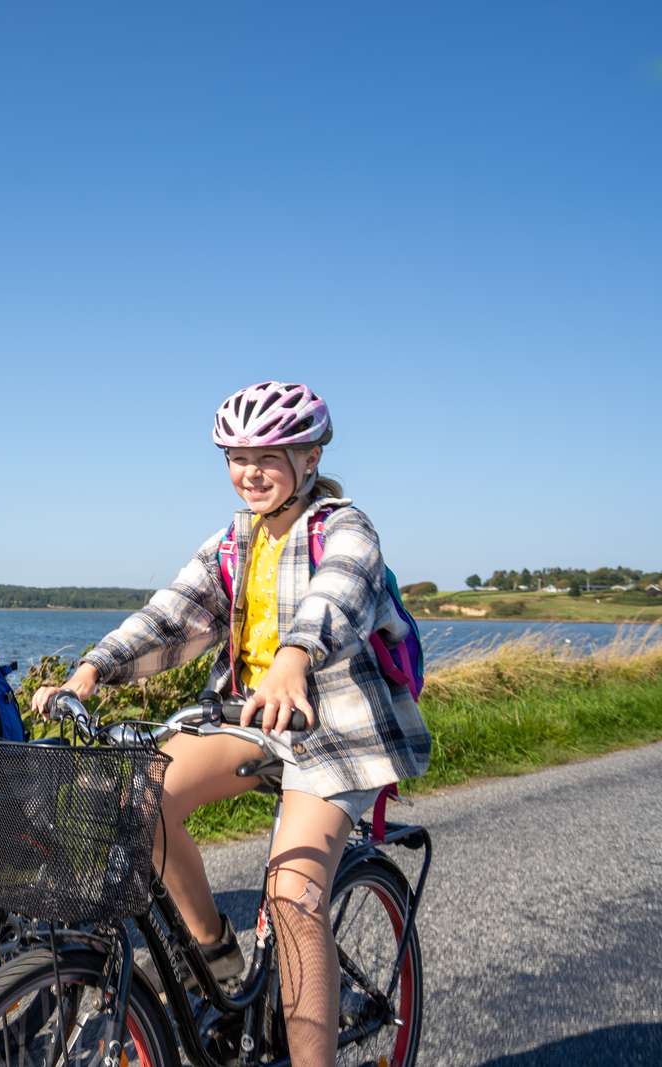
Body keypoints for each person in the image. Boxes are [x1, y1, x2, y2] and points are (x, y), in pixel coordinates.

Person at [32, 381, 430, 1067]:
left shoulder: (343, 527)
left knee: (292, 897)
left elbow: (339, 592)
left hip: (334, 732)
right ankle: (215, 962)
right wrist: (93, 669)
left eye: (269, 456)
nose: (250, 472)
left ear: (310, 459)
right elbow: (171, 614)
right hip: (247, 717)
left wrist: (294, 659)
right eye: (237, 457)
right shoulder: (234, 542)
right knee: (138, 797)